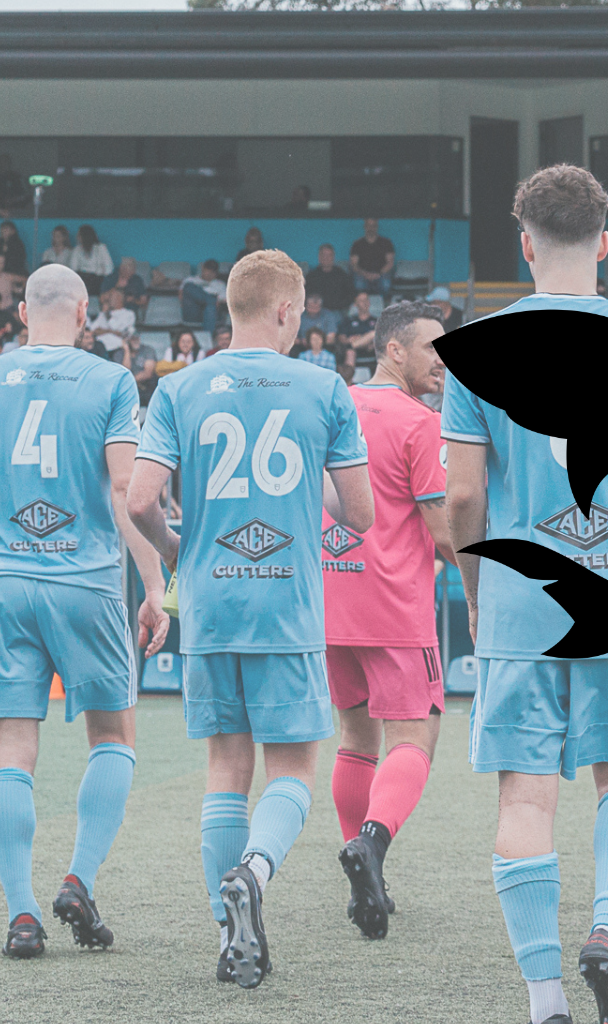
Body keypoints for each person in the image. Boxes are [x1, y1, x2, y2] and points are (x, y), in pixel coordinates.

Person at [442, 165, 608, 1024]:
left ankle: (545, 999)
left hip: (522, 604)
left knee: (525, 796)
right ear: (603, 241)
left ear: (524, 245)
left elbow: (461, 501)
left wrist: (480, 592)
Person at [126, 249, 371, 986]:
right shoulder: (323, 387)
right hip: (285, 607)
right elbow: (358, 515)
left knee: (224, 772)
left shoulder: (180, 388)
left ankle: (227, 936)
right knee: (292, 770)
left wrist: (182, 555)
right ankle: (256, 874)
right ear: (288, 311)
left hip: (211, 603)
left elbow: (140, 502)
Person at [0, 263, 169, 961]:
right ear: (85, 312)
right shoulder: (108, 380)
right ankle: (79, 879)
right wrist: (155, 585)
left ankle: (23, 916)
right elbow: (131, 490)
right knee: (113, 736)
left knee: (10, 750)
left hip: (5, 583)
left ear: (21, 315)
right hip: (86, 583)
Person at [315, 299, 456, 941]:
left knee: (354, 739)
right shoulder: (420, 422)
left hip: (329, 597)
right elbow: (443, 531)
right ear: (393, 350)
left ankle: (359, 865)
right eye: (432, 347)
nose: (442, 360)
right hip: (395, 606)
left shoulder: (330, 402)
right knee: (414, 738)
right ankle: (370, 845)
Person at [304, 244, 356, 319]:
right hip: (316, 311)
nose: (326, 258)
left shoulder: (342, 274)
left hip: (336, 311)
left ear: (333, 257)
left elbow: (351, 294)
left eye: (329, 255)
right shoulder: (311, 276)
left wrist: (339, 305)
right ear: (319, 257)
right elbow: (306, 295)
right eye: (324, 255)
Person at [350, 218, 395, 304]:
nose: (371, 228)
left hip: (381, 274)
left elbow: (390, 262)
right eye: (368, 226)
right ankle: (362, 307)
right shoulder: (357, 244)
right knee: (359, 284)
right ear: (365, 227)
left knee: (386, 284)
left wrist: (378, 274)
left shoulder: (386, 243)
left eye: (373, 226)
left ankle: (385, 308)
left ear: (377, 227)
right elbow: (354, 264)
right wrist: (365, 274)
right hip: (363, 275)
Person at [181, 259, 229, 339]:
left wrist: (208, 303)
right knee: (188, 286)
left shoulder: (220, 284)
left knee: (210, 307)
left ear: (216, 273)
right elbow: (181, 297)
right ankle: (210, 300)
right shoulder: (191, 280)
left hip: (210, 314)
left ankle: (207, 339)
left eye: (212, 272)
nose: (208, 274)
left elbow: (222, 302)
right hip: (193, 312)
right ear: (203, 269)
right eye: (207, 271)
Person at [90, 285, 137, 357]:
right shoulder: (103, 313)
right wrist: (111, 331)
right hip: (99, 348)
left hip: (117, 348)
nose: (108, 299)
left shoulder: (129, 314)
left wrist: (107, 318)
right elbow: (92, 330)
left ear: (119, 298)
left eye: (111, 296)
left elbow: (120, 331)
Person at [70, 225, 114, 296]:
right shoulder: (77, 250)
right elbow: (73, 269)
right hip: (83, 279)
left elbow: (109, 269)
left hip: (98, 279)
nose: (77, 238)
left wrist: (97, 274)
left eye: (79, 235)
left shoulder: (101, 248)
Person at [298, 286, 341, 352]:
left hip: (324, 347)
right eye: (311, 307)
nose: (313, 310)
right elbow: (291, 339)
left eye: (316, 307)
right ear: (306, 306)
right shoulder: (300, 316)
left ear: (320, 307)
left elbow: (331, 338)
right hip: (302, 347)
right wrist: (301, 341)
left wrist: (316, 342)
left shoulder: (328, 315)